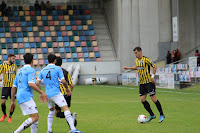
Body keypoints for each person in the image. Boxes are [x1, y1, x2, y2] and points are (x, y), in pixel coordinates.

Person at [36, 54, 82, 133]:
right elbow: (63, 81)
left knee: (51, 111)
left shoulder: (43, 69)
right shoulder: (57, 68)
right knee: (66, 109)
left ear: (47, 61)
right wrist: (67, 88)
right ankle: (73, 129)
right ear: (55, 61)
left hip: (47, 94)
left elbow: (37, 82)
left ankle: (49, 130)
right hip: (56, 93)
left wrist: (41, 93)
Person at [123, 47, 165, 123]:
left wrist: (153, 77)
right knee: (142, 100)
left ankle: (161, 114)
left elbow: (154, 66)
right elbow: (137, 67)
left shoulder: (146, 59)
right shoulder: (136, 60)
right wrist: (128, 68)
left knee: (153, 99)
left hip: (149, 82)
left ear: (140, 52)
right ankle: (152, 114)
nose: (135, 55)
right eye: (134, 53)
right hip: (142, 83)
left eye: (136, 53)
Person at [10, 53, 48, 133]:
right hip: (25, 96)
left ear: (24, 61)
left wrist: (12, 101)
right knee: (35, 117)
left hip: (20, 96)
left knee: (33, 117)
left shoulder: (19, 71)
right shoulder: (31, 70)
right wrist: (41, 92)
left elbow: (13, 87)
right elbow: (31, 84)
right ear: (32, 61)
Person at [54, 56, 77, 127]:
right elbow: (71, 85)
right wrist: (70, 92)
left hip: (58, 95)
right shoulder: (65, 72)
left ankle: (71, 117)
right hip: (66, 95)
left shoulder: (53, 72)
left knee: (57, 113)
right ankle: (72, 127)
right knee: (66, 110)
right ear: (61, 63)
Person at [0, 54, 17, 122]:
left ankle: (10, 117)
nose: (14, 60)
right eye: (13, 58)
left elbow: (16, 76)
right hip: (5, 86)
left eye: (14, 59)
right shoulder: (3, 65)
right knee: (2, 102)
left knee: (12, 102)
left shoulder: (14, 66)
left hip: (13, 87)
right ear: (9, 58)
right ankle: (4, 114)